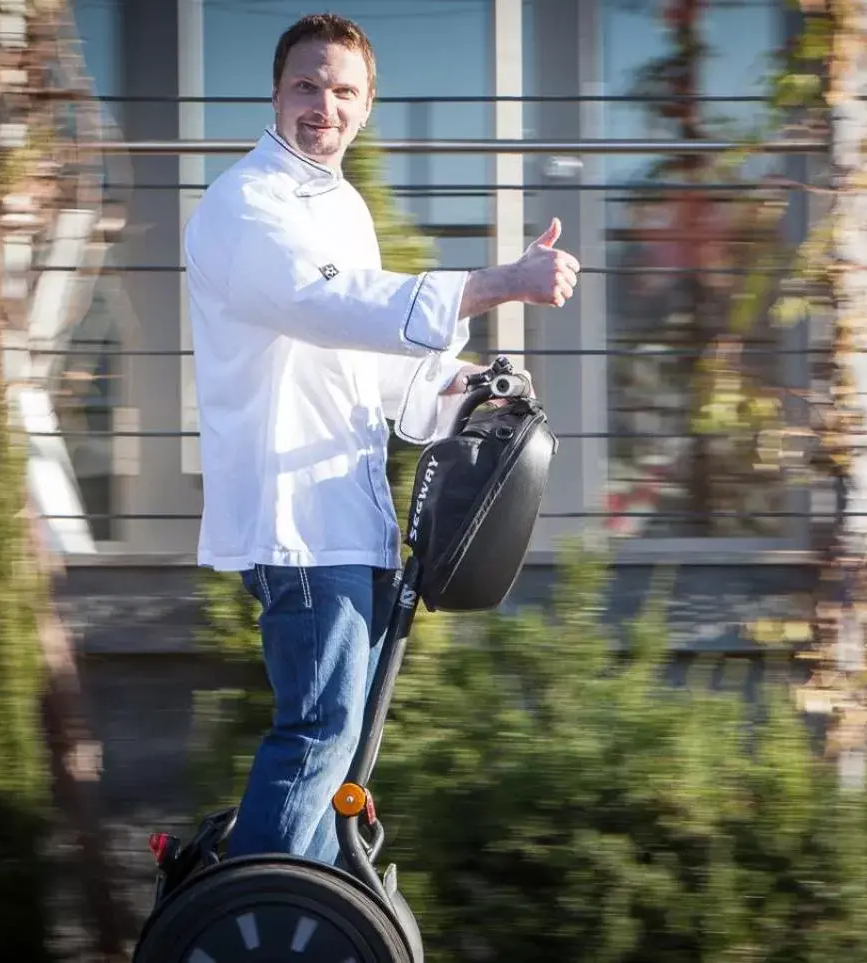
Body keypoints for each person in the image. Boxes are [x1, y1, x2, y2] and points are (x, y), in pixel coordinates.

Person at [182, 12, 579, 866]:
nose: (323, 105)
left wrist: (475, 384)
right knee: (319, 730)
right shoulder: (245, 204)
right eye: (307, 85)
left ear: (366, 109)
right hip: (297, 522)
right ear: (277, 92)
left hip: (350, 518)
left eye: (343, 91)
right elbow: (332, 305)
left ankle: (310, 912)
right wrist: (499, 283)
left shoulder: (344, 209)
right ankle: (257, 920)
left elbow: (387, 368)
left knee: (340, 750)